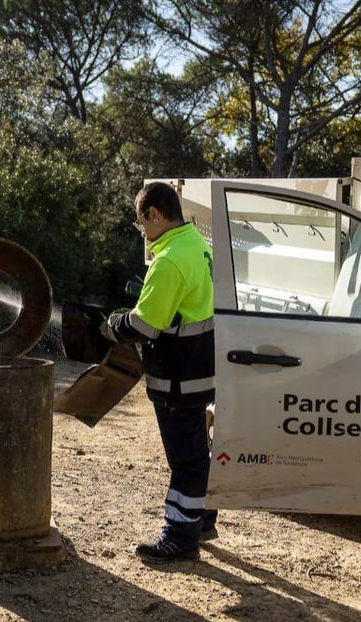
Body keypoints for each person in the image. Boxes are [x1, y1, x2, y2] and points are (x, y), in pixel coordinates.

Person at [100, 182, 216, 564]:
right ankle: (202, 520)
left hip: (176, 377)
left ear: (154, 214)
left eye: (140, 224)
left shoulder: (168, 260)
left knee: (186, 461)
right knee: (197, 452)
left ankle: (180, 536)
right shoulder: (196, 245)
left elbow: (146, 325)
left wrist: (114, 324)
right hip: (198, 370)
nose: (143, 232)